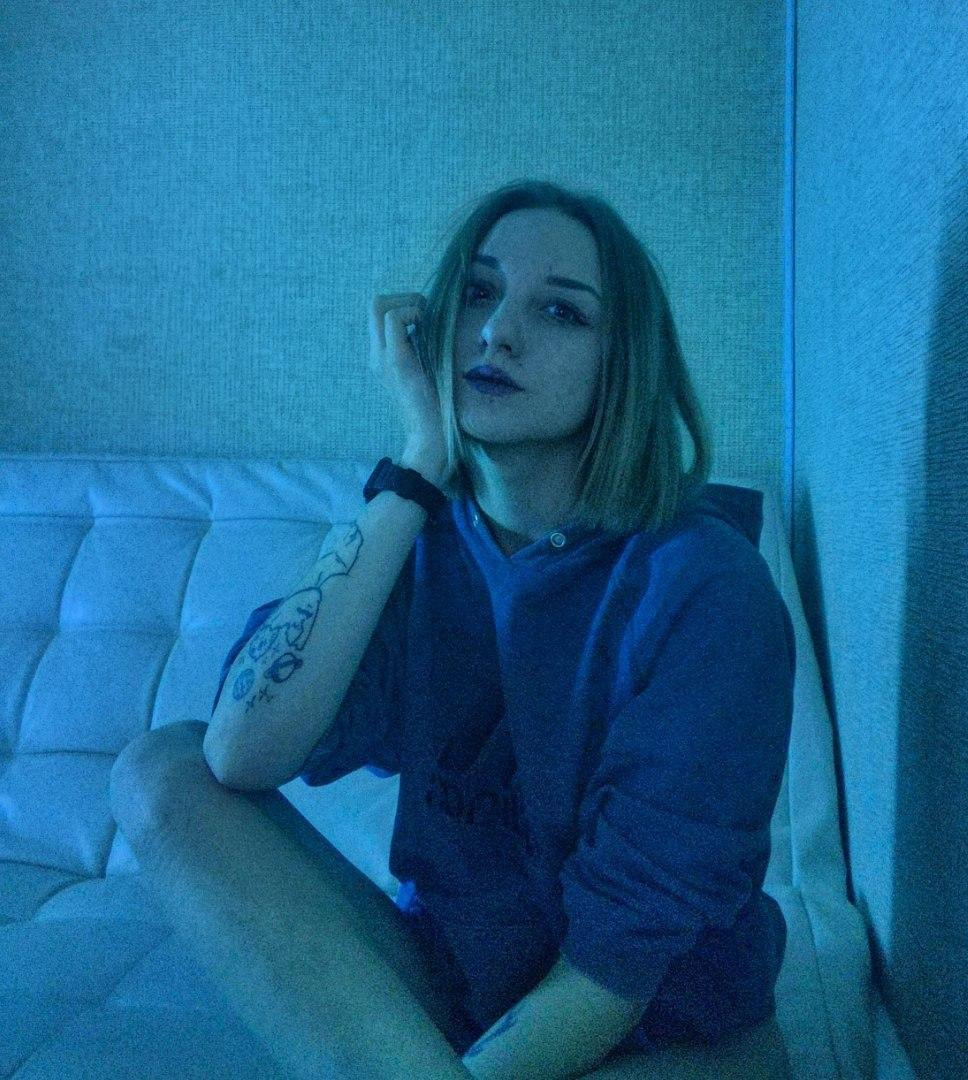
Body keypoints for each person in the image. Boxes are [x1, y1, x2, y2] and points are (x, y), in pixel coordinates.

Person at [129, 179, 794, 1080]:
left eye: (559, 311)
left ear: (622, 364)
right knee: (161, 773)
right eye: (479, 293)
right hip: (454, 997)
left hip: (658, 1028)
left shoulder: (706, 586)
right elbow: (238, 754)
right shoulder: (414, 543)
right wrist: (417, 465)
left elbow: (618, 962)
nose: (498, 333)